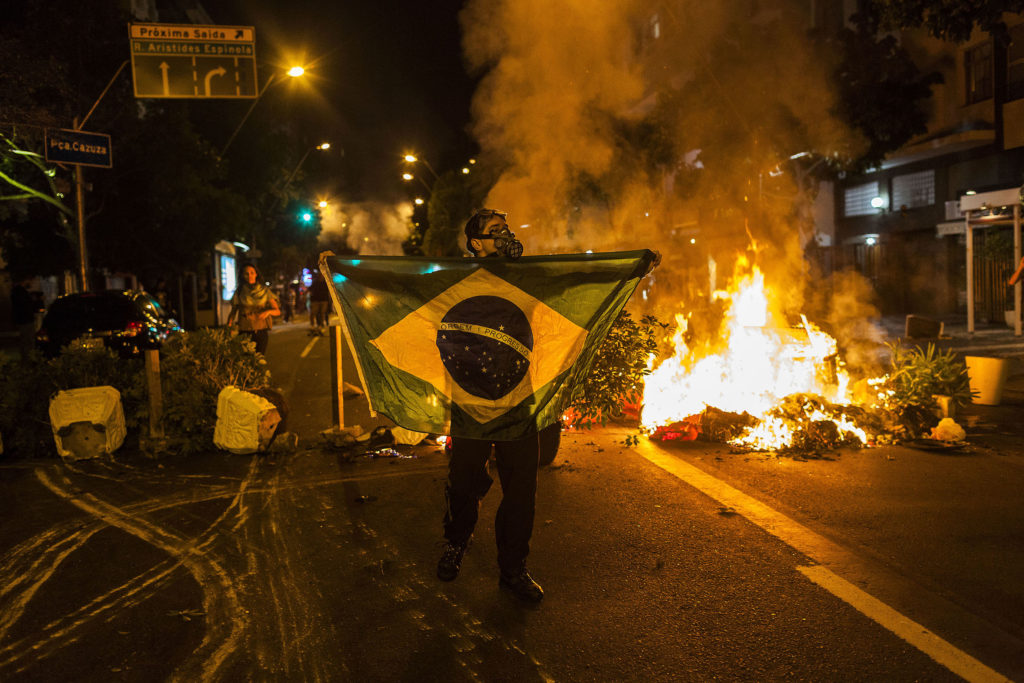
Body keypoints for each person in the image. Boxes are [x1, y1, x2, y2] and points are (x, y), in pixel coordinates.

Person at [436, 208, 545, 604]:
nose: (506, 235)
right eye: (495, 231)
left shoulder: (525, 277)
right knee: (463, 483)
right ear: (476, 243)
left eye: (507, 228)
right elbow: (403, 289)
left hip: (518, 400)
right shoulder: (455, 280)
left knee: (521, 494)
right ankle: (456, 542)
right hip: (470, 402)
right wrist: (338, 268)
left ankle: (514, 569)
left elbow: (577, 281)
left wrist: (634, 267)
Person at [226, 264, 280, 355]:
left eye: (252, 273)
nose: (249, 276)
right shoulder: (239, 292)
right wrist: (229, 328)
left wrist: (268, 312)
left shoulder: (264, 291)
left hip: (261, 332)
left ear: (256, 274)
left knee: (259, 360)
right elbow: (233, 313)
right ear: (242, 276)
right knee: (246, 362)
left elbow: (277, 311)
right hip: (244, 332)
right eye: (246, 274)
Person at [11, 276, 39, 361]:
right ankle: (28, 358)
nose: (31, 283)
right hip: (25, 320)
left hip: (23, 319)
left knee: (26, 340)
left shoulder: (17, 292)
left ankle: (27, 358)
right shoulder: (20, 292)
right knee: (28, 340)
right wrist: (33, 301)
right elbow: (25, 306)